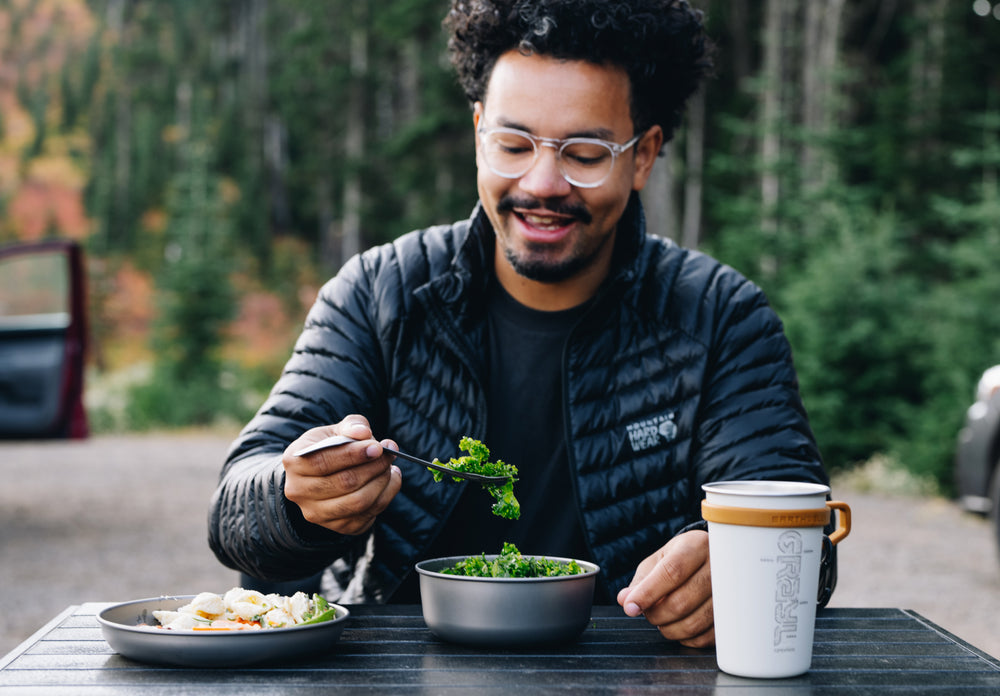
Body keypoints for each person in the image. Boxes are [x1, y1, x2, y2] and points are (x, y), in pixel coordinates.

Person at [208, 0, 834, 648]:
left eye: (585, 153)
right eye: (513, 145)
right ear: (479, 133)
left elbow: (804, 538)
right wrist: (297, 496)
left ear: (643, 155)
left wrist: (733, 559)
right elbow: (234, 511)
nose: (542, 183)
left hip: (640, 678)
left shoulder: (721, 317)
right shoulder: (379, 293)